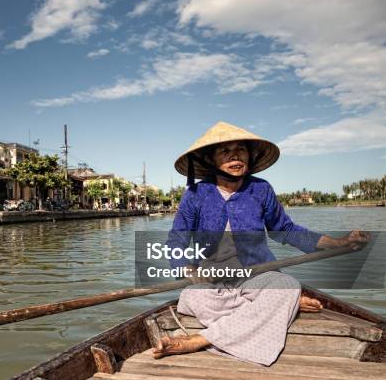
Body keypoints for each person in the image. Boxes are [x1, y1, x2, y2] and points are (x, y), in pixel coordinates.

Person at [152, 121, 369, 365]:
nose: (235, 155)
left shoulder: (261, 190)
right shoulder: (195, 195)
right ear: (211, 159)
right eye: (225, 151)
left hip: (258, 275)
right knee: (193, 298)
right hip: (215, 280)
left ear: (250, 156)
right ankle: (284, 305)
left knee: (285, 284)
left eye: (241, 149)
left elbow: (286, 230)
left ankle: (200, 340)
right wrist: (188, 268)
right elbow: (176, 240)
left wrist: (338, 242)